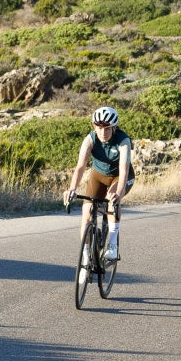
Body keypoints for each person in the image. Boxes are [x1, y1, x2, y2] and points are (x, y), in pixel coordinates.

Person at [63, 105, 133, 261]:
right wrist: (72, 189)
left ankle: (113, 245)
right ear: (94, 126)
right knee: (86, 212)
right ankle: (85, 255)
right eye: (99, 128)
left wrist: (119, 193)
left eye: (107, 128)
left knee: (111, 202)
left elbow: (124, 170)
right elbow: (81, 166)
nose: (103, 133)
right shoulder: (90, 139)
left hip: (119, 176)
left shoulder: (123, 141)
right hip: (98, 175)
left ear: (114, 128)